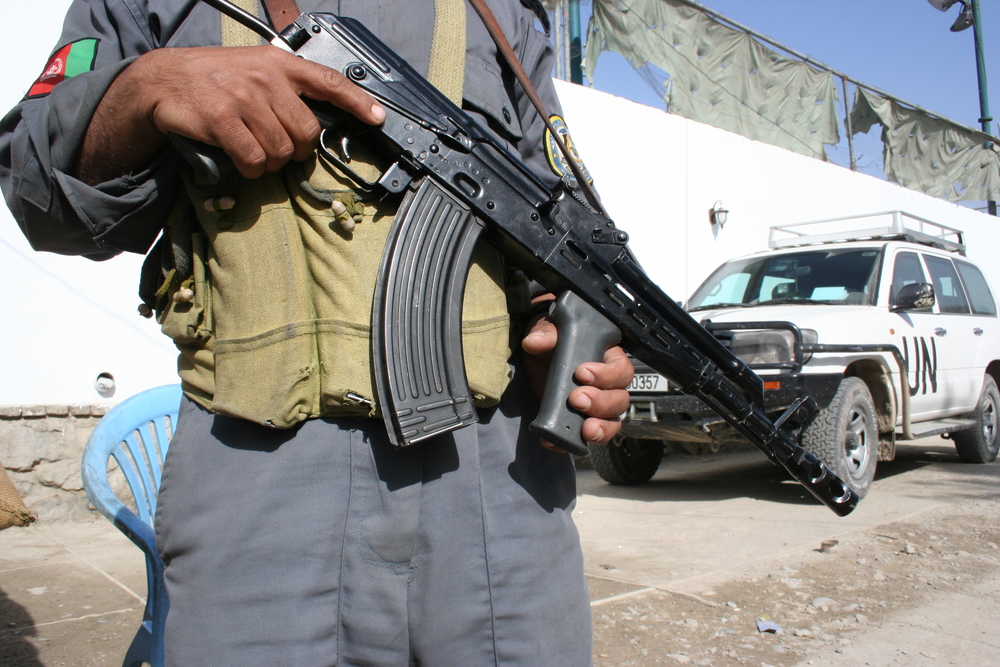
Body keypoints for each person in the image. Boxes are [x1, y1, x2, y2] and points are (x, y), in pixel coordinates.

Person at [1, 1, 634, 665]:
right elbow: (34, 183)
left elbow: (558, 227)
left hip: (497, 486)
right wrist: (149, 88)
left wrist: (564, 334)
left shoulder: (500, 11)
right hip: (260, 478)